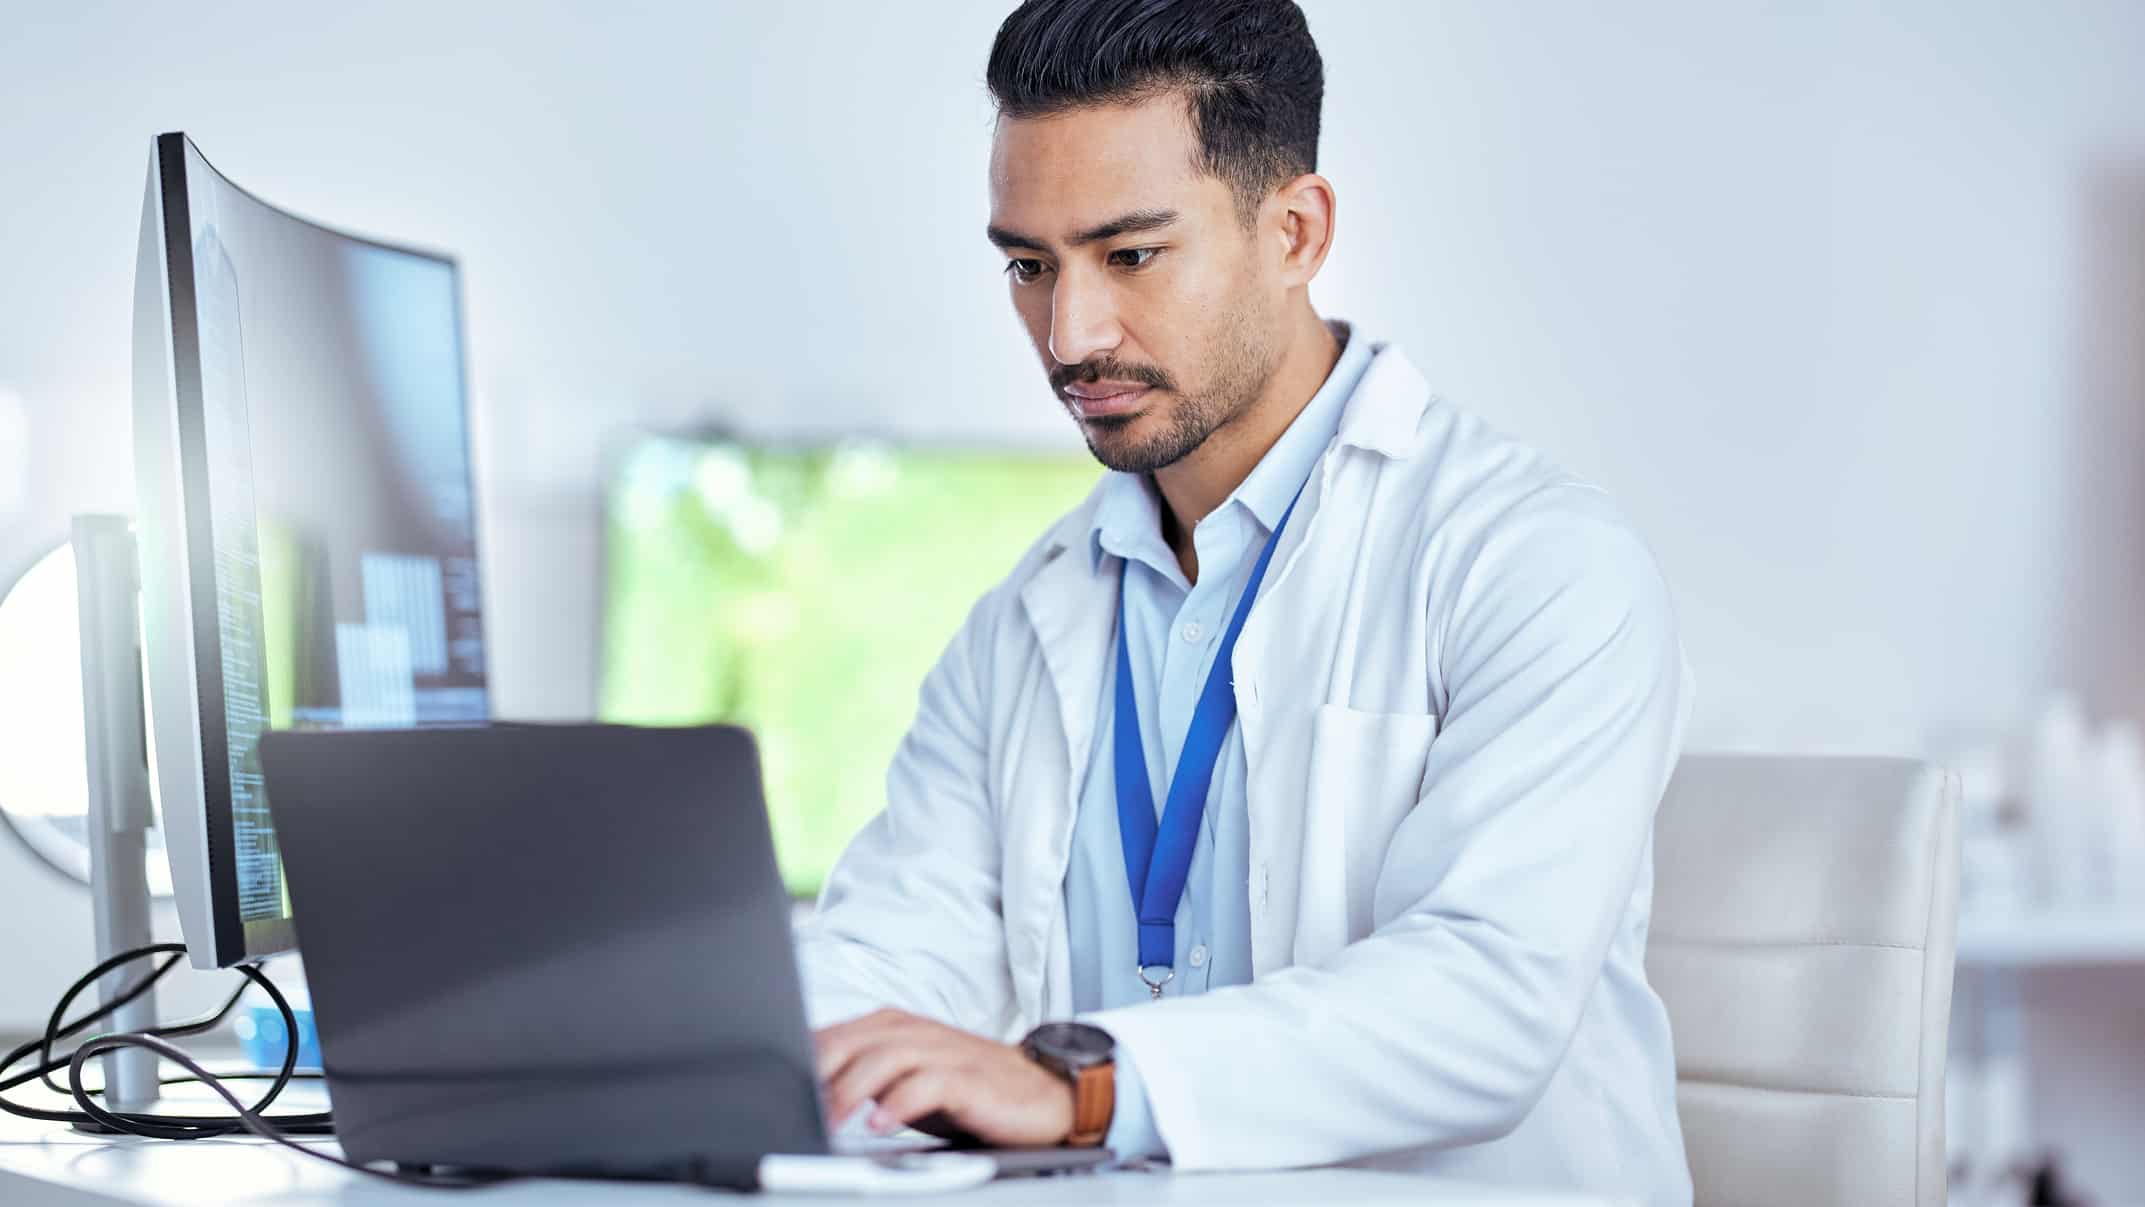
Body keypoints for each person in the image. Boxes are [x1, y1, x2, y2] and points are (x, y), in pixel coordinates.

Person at [798, 1, 1695, 1202]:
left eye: (1130, 254)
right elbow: (891, 953)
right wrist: (725, 1053)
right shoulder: (1025, 620)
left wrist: (1087, 1088)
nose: (1070, 334)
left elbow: (1487, 996)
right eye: (1029, 265)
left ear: (1294, 231)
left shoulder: (1534, 562)